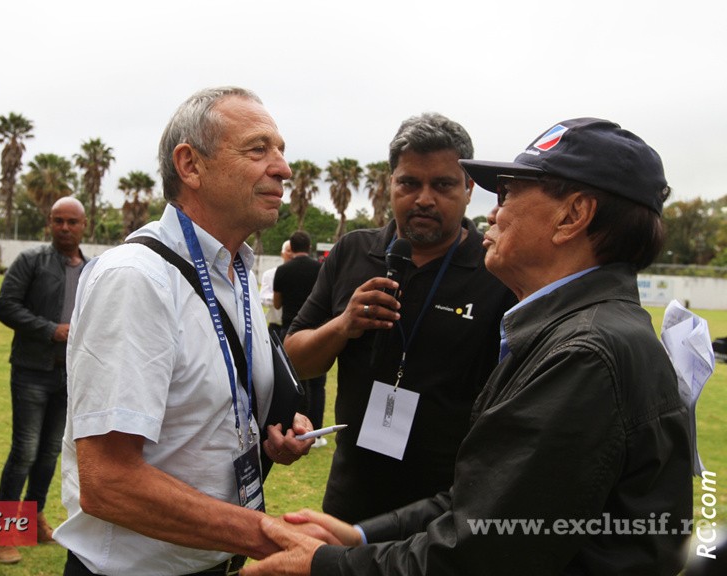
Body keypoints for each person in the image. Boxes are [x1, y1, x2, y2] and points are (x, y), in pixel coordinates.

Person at [242, 118, 694, 576]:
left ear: (572, 215)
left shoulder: (583, 353)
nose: (494, 215)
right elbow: (488, 504)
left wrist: (327, 565)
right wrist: (359, 537)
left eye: (509, 194)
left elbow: (485, 553)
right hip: (370, 492)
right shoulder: (580, 332)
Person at [52, 87, 318, 576]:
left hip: (212, 558)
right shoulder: (137, 278)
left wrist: (268, 437)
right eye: (258, 149)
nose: (283, 168)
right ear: (190, 166)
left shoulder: (236, 271)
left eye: (281, 151)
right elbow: (108, 481)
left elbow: (206, 412)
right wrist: (271, 536)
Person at [285, 113, 516, 522]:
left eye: (442, 184)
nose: (424, 198)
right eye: (409, 183)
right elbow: (296, 361)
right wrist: (344, 325)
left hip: (448, 508)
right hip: (352, 497)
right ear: (390, 183)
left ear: (468, 188)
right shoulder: (352, 252)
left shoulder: (497, 269)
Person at [0, 197, 89, 565]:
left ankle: (32, 521)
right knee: (25, 452)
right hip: (32, 371)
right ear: (49, 223)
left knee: (51, 453)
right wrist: (51, 330)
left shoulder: (94, 269)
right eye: (57, 221)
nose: (64, 228)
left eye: (72, 222)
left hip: (71, 375)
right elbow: (6, 306)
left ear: (84, 225)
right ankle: (2, 534)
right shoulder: (31, 261)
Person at [273, 231, 327, 445]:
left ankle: (298, 429)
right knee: (318, 384)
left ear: (291, 248)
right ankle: (318, 432)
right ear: (310, 247)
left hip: (291, 330)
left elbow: (277, 303)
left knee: (295, 383)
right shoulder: (320, 268)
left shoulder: (283, 270)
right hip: (317, 330)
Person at [260, 240, 292, 339]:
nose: (291, 254)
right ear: (282, 254)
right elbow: (263, 299)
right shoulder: (270, 274)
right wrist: (279, 296)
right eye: (289, 250)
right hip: (276, 328)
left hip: (297, 329)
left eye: (294, 250)